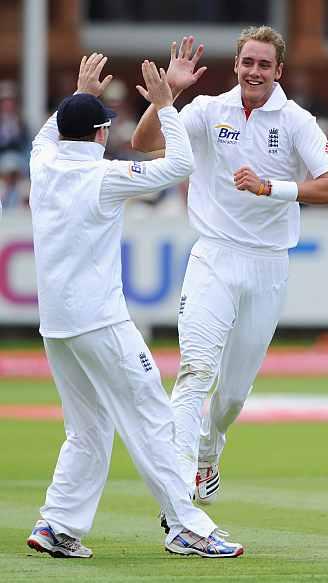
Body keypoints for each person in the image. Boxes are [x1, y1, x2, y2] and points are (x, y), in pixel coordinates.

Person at [26, 52, 243, 559]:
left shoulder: (43, 162)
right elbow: (182, 164)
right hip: (100, 321)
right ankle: (186, 524)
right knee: (151, 416)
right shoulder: (102, 177)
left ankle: (57, 524)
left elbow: (46, 134)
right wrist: (167, 104)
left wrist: (80, 97)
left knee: (89, 427)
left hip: (57, 325)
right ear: (101, 133)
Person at [132, 26, 328, 505]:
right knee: (195, 370)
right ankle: (178, 493)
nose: (254, 72)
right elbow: (144, 142)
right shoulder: (208, 110)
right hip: (213, 255)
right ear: (236, 65)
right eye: (248, 62)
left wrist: (273, 188)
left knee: (230, 397)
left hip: (267, 265)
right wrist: (170, 97)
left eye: (264, 65)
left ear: (278, 71)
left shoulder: (295, 120)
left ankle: (209, 450)